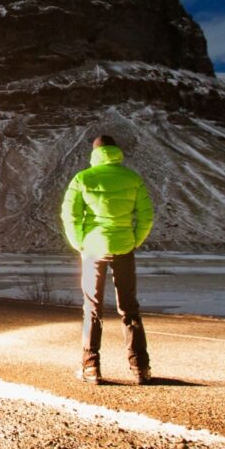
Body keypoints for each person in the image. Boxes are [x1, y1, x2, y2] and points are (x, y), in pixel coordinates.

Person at [60, 134, 154, 385]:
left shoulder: (83, 179)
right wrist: (135, 240)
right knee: (129, 308)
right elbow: (147, 216)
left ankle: (91, 367)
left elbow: (69, 216)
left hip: (93, 249)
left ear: (94, 153)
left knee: (92, 308)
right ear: (117, 152)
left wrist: (79, 242)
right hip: (124, 247)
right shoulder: (132, 178)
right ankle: (140, 367)